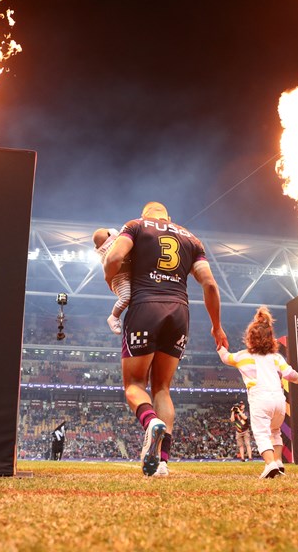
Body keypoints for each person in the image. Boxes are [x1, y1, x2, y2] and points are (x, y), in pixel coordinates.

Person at [104, 201, 228, 476]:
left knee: (135, 385)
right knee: (162, 388)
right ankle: (162, 462)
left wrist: (111, 281)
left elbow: (113, 259)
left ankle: (150, 422)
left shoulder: (136, 226)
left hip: (144, 307)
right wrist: (217, 326)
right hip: (179, 314)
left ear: (144, 214)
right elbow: (209, 284)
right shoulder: (191, 238)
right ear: (169, 217)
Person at [217, 306, 298, 479]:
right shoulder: (276, 357)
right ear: (271, 339)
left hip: (260, 399)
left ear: (249, 339)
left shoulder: (242, 356)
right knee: (275, 432)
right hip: (279, 400)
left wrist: (220, 344)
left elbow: (225, 357)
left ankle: (270, 464)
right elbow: (289, 374)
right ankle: (279, 462)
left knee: (261, 433)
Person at [93, 227, 131, 335]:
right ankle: (114, 317)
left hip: (127, 274)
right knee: (126, 297)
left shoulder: (116, 241)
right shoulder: (108, 248)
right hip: (119, 278)